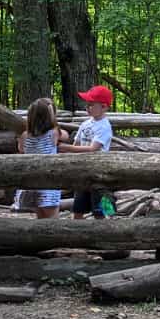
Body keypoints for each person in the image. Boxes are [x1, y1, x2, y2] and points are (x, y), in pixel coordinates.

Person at [59, 84, 114, 219]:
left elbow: (93, 148)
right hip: (83, 172)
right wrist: (66, 153)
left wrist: (66, 148)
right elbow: (76, 144)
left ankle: (109, 230)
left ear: (104, 107)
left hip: (100, 173)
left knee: (102, 209)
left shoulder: (105, 126)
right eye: (87, 104)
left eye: (91, 104)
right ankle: (78, 235)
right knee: (78, 208)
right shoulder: (85, 124)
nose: (87, 107)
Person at [17, 97, 63, 219]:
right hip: (49, 183)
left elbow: (21, 149)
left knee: (40, 217)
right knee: (53, 219)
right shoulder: (54, 133)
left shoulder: (24, 136)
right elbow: (65, 135)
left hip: (32, 182)